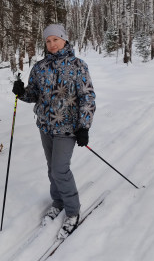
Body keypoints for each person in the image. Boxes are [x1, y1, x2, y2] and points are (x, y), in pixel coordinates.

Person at [12, 24, 96, 239]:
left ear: (64, 40)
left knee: (60, 169)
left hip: (68, 128)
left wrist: (83, 126)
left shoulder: (78, 65)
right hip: (45, 126)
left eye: (55, 40)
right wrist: (21, 92)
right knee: (52, 168)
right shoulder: (39, 68)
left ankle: (72, 211)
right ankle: (57, 201)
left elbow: (87, 97)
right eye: (48, 41)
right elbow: (33, 95)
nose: (52, 44)